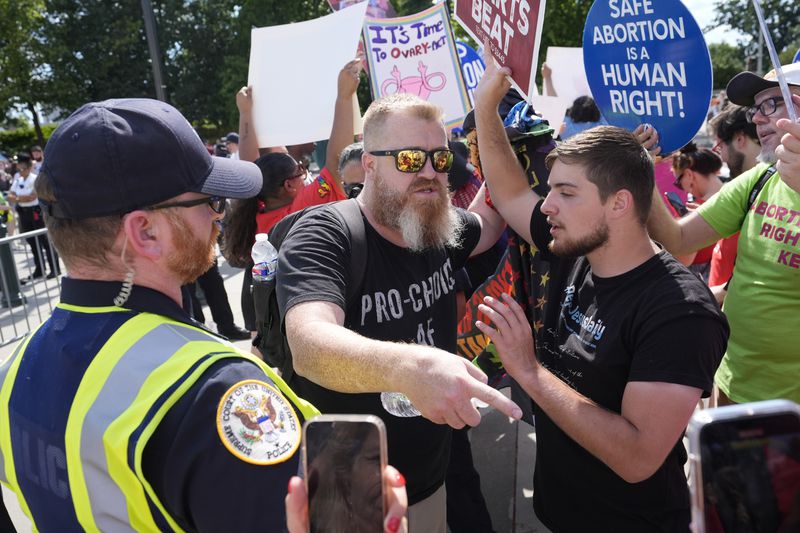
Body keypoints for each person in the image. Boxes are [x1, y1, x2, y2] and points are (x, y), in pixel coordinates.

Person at [0, 98, 409, 532]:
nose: (219, 216)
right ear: (145, 231)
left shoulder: (12, 372)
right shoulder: (215, 392)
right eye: (211, 200)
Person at [472, 58, 729, 531]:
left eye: (566, 193)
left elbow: (637, 457)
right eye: (550, 190)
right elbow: (509, 193)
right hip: (557, 513)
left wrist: (528, 371)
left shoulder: (680, 312)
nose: (546, 206)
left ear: (619, 203)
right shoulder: (573, 244)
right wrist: (485, 110)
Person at [276, 92, 523, 532]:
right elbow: (309, 344)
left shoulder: (433, 222)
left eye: (439, 159)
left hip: (439, 464)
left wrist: (499, 132)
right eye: (410, 160)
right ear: (370, 165)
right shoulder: (326, 233)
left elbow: (487, 222)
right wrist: (410, 366)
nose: (429, 173)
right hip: (357, 493)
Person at [644, 63, 800, 405]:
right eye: (755, 108)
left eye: (771, 104)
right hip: (732, 385)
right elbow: (678, 239)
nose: (756, 119)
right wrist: (643, 168)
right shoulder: (761, 177)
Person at [226, 58, 361, 334]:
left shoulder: (258, 208)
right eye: (300, 170)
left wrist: (245, 114)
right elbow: (337, 160)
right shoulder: (302, 205)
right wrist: (344, 96)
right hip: (305, 306)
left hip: (267, 308)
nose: (304, 171)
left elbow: (250, 165)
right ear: (289, 185)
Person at [705, 104, 761, 303]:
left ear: (739, 139)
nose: (722, 157)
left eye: (720, 147)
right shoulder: (740, 192)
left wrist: (701, 297)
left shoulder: (763, 194)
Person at [670, 143, 724, 280]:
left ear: (689, 175)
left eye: (678, 181)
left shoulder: (694, 211)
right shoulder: (739, 199)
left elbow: (682, 260)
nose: (681, 188)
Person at [6, 153, 60, 282]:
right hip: (23, 212)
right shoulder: (17, 178)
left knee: (44, 240)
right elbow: (9, 196)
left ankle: (54, 268)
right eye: (19, 168)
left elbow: (32, 196)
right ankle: (39, 269)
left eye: (23, 168)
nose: (20, 171)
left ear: (29, 167)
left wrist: (17, 198)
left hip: (35, 211)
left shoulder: (35, 178)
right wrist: (19, 198)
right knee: (32, 242)